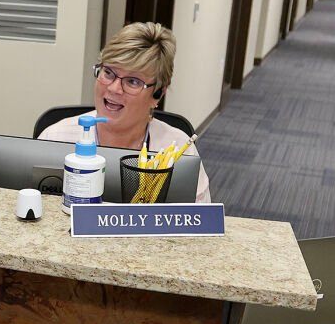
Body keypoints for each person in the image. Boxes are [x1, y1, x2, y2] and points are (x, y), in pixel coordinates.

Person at [37, 21, 212, 203]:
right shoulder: (55, 138)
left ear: (158, 94)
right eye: (109, 73)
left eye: (133, 82)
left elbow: (201, 220)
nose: (114, 88)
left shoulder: (178, 149)